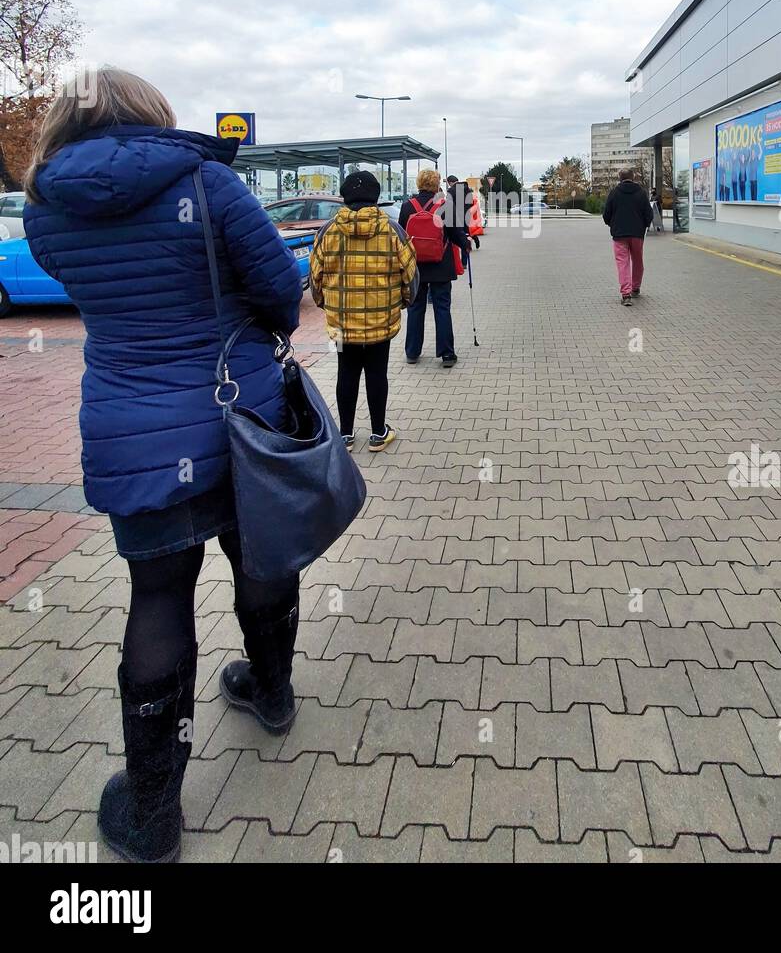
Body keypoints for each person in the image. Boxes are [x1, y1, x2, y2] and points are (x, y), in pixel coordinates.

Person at [22, 66, 304, 864]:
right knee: (262, 554)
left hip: (133, 430)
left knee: (157, 594)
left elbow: (101, 293)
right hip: (239, 416)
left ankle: (151, 814)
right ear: (150, 112)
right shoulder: (209, 181)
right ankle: (272, 693)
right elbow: (282, 291)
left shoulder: (46, 208)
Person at [309, 170, 417, 451]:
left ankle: (345, 435)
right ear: (376, 197)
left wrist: (325, 304)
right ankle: (378, 433)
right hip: (381, 318)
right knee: (377, 373)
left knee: (346, 372)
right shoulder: (393, 230)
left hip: (342, 322)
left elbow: (314, 278)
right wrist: (403, 302)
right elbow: (410, 274)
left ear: (345, 198)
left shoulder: (327, 231)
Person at [399, 168, 469, 366]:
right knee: (442, 308)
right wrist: (466, 244)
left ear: (419, 184)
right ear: (437, 184)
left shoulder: (407, 207)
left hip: (416, 267)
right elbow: (456, 233)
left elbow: (401, 236)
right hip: (440, 265)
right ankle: (447, 354)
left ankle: (412, 352)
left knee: (415, 308)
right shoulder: (446, 205)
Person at [602, 167, 653, 306]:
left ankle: (626, 294)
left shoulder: (614, 193)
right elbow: (649, 214)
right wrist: (644, 226)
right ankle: (635, 288)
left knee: (622, 263)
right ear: (633, 177)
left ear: (620, 178)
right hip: (637, 234)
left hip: (619, 234)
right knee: (637, 260)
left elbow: (606, 214)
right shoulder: (641, 193)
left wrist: (612, 224)